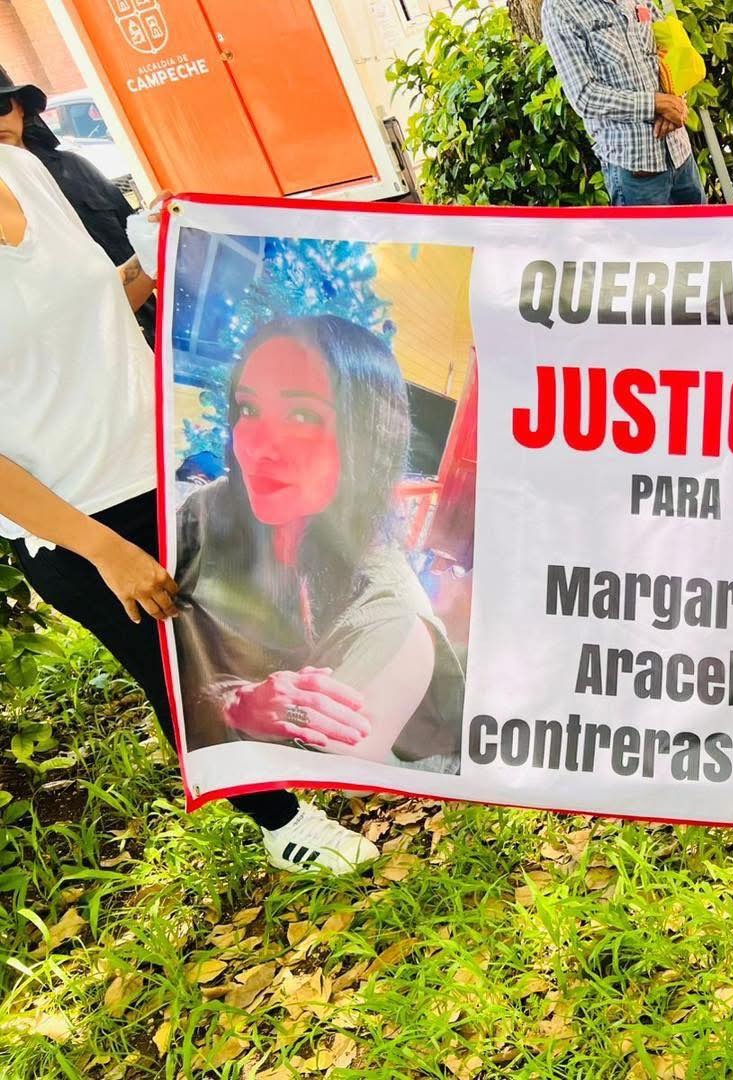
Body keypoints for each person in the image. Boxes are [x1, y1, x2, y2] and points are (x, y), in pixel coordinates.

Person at [0, 137, 377, 874]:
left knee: (248, 629)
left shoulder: (23, 170)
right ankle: (280, 822)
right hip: (78, 520)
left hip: (167, 464)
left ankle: (311, 755)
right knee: (182, 676)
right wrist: (103, 550)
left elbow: (84, 317)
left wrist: (151, 259)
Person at [174, 315, 465, 775]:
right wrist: (233, 699)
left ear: (367, 440)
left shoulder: (394, 623)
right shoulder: (207, 510)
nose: (258, 447)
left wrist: (244, 708)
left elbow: (330, 778)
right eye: (248, 409)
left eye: (303, 416)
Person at [0, 66, 155, 345]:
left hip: (145, 334)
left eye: (1, 106)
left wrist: (157, 229)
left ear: (20, 107)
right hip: (74, 351)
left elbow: (134, 239)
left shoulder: (74, 167)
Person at [542, 0, 706, 207]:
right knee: (643, 231)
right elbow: (585, 95)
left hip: (681, 154)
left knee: (703, 228)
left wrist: (676, 102)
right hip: (637, 171)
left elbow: (670, 49)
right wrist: (656, 104)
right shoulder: (560, 8)